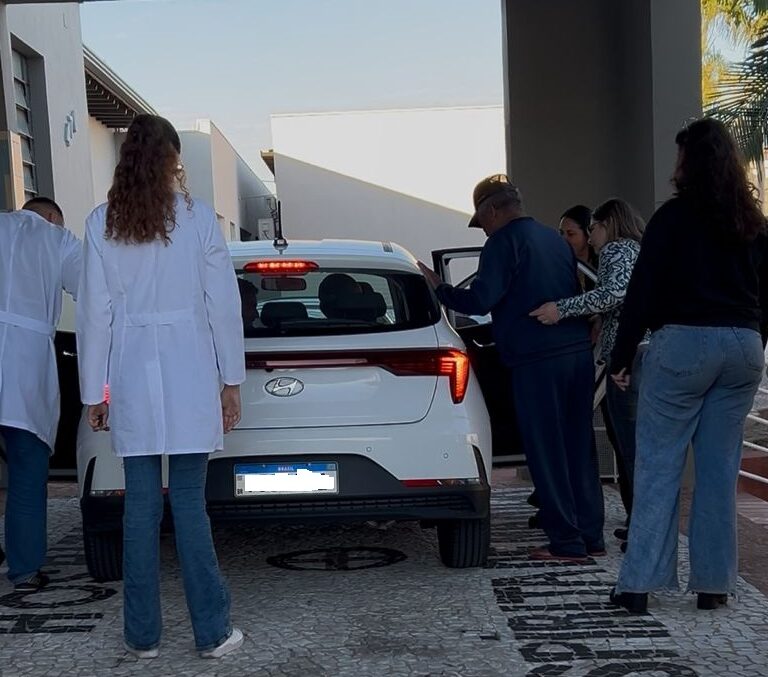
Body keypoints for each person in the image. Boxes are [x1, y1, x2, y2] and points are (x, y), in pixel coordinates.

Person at [77, 115, 245, 658]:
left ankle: (142, 636)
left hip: (130, 373)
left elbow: (95, 316)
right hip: (192, 368)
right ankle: (213, 633)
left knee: (141, 506)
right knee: (190, 503)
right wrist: (232, 380)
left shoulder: (103, 222)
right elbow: (223, 304)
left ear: (127, 159)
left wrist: (92, 393)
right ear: (174, 158)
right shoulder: (196, 220)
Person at [608, 117, 768, 614]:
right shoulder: (753, 222)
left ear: (688, 163)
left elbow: (643, 291)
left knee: (659, 467)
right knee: (720, 470)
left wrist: (622, 355)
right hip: (743, 347)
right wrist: (755, 342)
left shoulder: (672, 219)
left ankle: (637, 587)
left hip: (683, 345)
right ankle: (714, 585)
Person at [418, 174, 604, 561]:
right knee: (579, 448)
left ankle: (566, 543)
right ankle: (591, 536)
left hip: (537, 361)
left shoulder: (502, 242)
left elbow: (481, 299)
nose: (483, 229)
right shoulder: (554, 239)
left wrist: (439, 287)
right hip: (575, 356)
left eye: (481, 221)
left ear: (492, 210)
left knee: (546, 451)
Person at [530, 198, 646, 545]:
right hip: (639, 355)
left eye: (592, 227)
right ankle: (639, 521)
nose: (592, 236)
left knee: (630, 446)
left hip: (629, 358)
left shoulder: (615, 250)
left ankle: (643, 528)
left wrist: (560, 310)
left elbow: (613, 294)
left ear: (607, 225)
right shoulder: (634, 250)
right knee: (631, 443)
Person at [0, 197, 81, 592]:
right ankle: (24, 569)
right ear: (52, 215)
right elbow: (92, 292)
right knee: (27, 474)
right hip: (25, 366)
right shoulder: (59, 239)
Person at [560, 205, 598, 290]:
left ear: (588, 235)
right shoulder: (559, 268)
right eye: (561, 233)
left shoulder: (602, 269)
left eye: (570, 234)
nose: (563, 239)